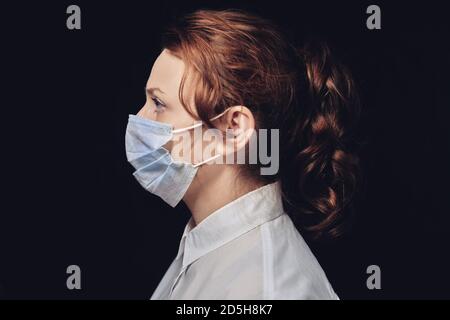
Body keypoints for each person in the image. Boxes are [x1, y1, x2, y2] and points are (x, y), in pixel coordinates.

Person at [125, 8, 360, 299]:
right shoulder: (206, 243)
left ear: (234, 129)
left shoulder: (269, 290)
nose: (139, 118)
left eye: (158, 104)